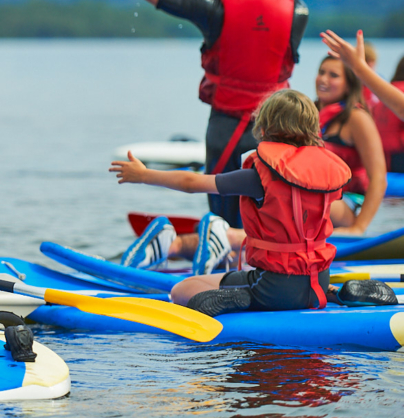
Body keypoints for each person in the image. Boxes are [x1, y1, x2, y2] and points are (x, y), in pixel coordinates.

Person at [73, 0, 308, 228]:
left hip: (228, 130)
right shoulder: (298, 11)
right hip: (280, 128)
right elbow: (258, 0)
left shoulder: (214, 9)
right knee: (269, 207)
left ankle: (222, 253)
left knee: (226, 214)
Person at [110, 89, 395, 317]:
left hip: (274, 288)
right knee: (247, 275)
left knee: (182, 290)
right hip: (317, 280)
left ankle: (244, 299)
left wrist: (144, 175)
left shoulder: (259, 175)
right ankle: (333, 293)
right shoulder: (324, 173)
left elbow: (191, 183)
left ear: (265, 126)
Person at [313, 56, 386, 235]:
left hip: (348, 202)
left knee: (307, 203)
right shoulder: (310, 113)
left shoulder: (357, 118)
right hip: (315, 197)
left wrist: (358, 229)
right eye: (321, 72)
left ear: (349, 85)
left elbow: (378, 177)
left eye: (333, 75)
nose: (323, 79)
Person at [325, 32, 404, 173]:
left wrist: (359, 68)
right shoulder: (381, 94)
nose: (324, 79)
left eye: (334, 75)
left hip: (387, 161)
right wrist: (359, 68)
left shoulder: (387, 91)